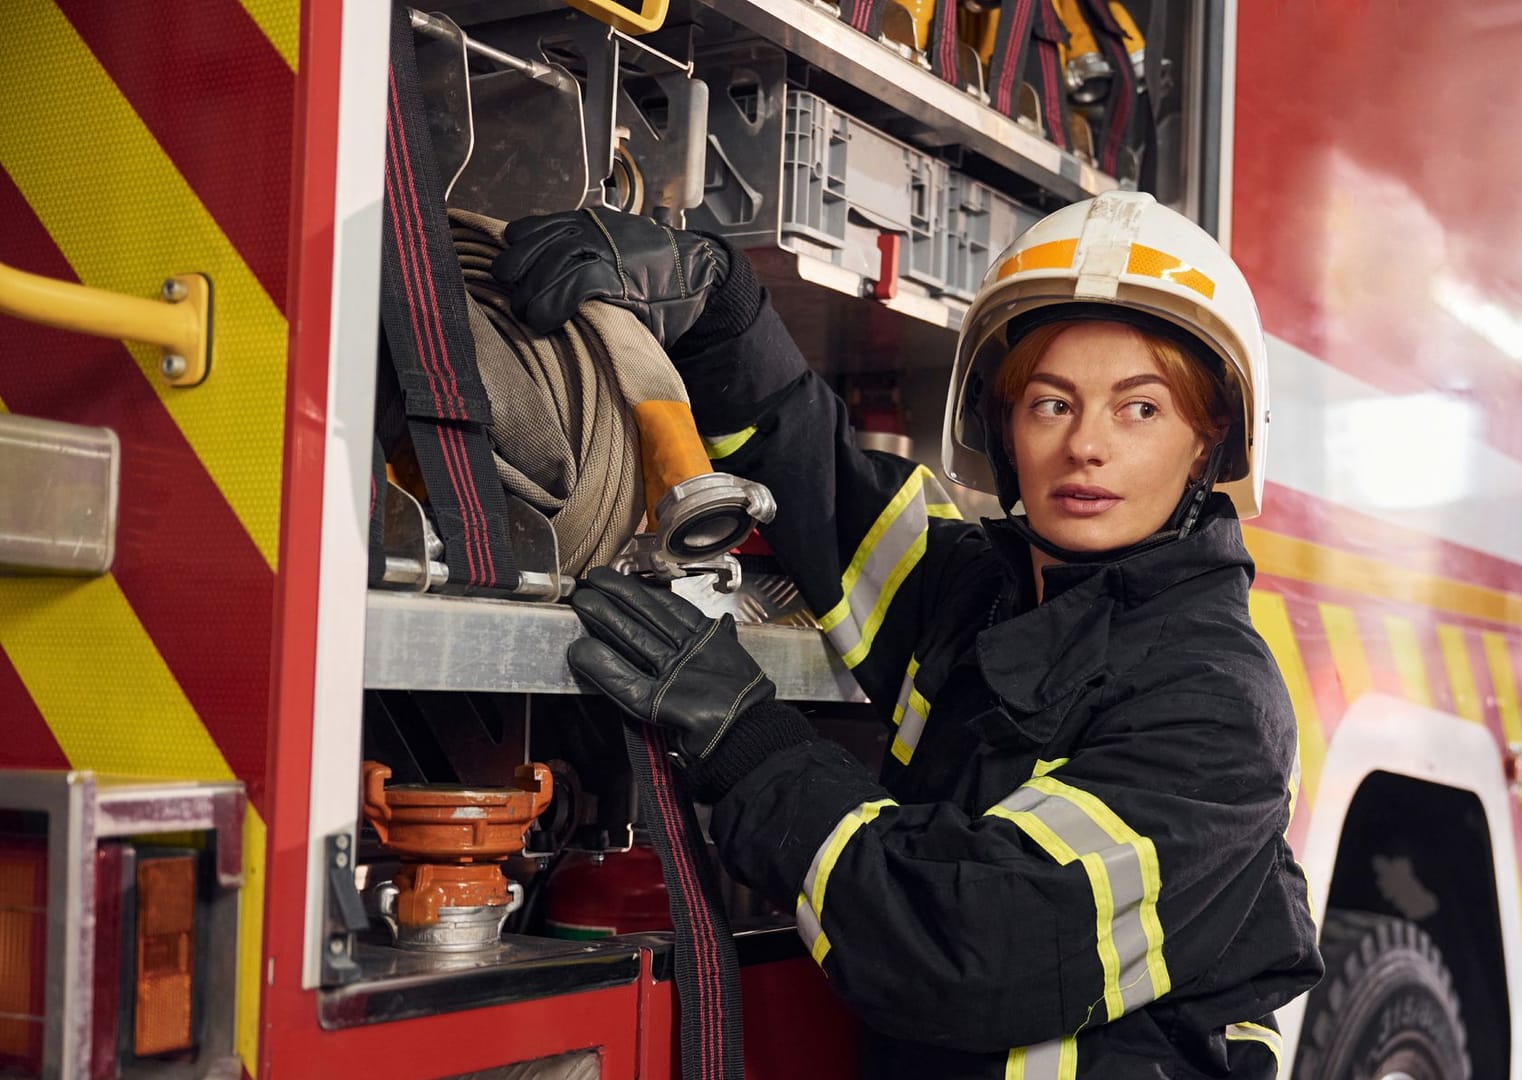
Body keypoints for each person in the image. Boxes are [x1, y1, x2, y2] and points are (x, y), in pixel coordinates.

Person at [494, 191, 1323, 1078]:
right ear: (1002, 430)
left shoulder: (1215, 705)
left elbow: (969, 945)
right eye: (1050, 404)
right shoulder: (997, 597)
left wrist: (750, 744)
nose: (1086, 445)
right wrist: (722, 311)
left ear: (1208, 443)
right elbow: (832, 495)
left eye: (1140, 409)